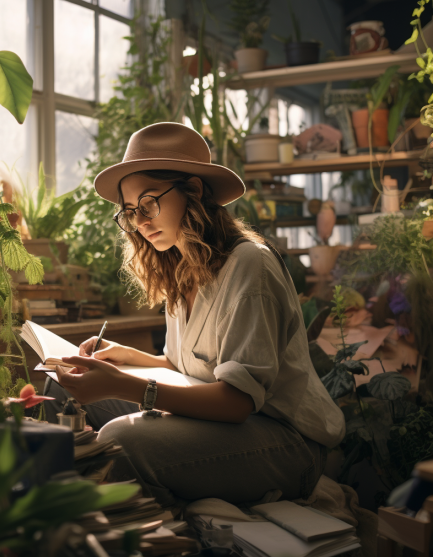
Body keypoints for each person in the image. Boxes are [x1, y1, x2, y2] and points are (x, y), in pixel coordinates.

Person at [43, 122, 345, 507]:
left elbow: (237, 401)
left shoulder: (250, 266)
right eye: (131, 211)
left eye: (149, 202)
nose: (140, 221)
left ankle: (138, 534)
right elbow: (186, 366)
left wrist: (124, 385)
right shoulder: (181, 266)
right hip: (230, 422)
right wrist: (128, 358)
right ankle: (59, 515)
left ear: (194, 191)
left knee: (123, 439)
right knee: (60, 383)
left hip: (284, 441)